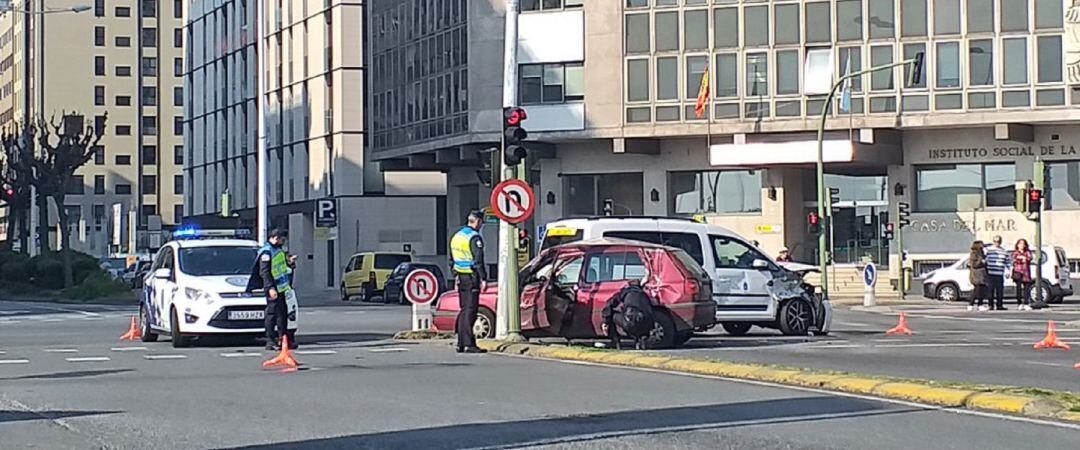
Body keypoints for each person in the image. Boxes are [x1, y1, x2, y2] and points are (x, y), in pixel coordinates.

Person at [246, 228, 296, 350]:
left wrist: (290, 263)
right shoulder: (266, 252)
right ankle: (270, 340)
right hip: (273, 287)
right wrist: (270, 288)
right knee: (272, 314)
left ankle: (283, 339)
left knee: (282, 314)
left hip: (281, 288)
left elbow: (282, 268)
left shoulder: (278, 250)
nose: (283, 241)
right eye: (281, 239)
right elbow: (265, 272)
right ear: (274, 238)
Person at [450, 211, 488, 354]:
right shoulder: (474, 237)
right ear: (477, 222)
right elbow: (478, 260)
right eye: (481, 223)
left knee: (464, 309)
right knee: (470, 311)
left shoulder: (456, 236)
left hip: (460, 277)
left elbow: (451, 260)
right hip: (472, 277)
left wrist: (455, 275)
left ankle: (460, 342)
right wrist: (483, 278)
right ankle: (469, 343)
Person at [601, 279, 655, 350]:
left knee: (612, 314)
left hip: (630, 322)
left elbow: (610, 304)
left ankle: (616, 342)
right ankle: (642, 338)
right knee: (639, 318)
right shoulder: (645, 295)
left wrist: (605, 321)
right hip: (646, 324)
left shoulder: (626, 292)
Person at [984, 236, 1008, 311]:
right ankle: (990, 305)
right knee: (990, 290)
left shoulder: (1004, 251)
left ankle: (999, 305)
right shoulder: (988, 250)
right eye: (995, 241)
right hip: (990, 273)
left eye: (998, 241)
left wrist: (1008, 271)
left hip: (1000, 273)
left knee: (1000, 291)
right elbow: (983, 258)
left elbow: (1007, 262)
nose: (997, 243)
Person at [1011, 239, 1034, 311]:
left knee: (1026, 289)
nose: (1022, 245)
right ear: (1017, 245)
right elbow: (1014, 259)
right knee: (1018, 289)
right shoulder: (1015, 252)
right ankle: (1019, 303)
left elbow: (1029, 258)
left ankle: (1026, 303)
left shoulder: (1028, 252)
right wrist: (1022, 258)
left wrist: (1024, 258)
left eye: (1023, 244)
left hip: (1026, 273)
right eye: (1020, 243)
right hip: (1018, 272)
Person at [967, 240, 989, 312]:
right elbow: (974, 264)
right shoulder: (974, 253)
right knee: (976, 290)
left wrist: (985, 259)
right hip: (976, 275)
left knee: (982, 290)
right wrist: (981, 261)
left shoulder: (982, 253)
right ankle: (971, 304)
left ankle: (980, 304)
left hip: (982, 274)